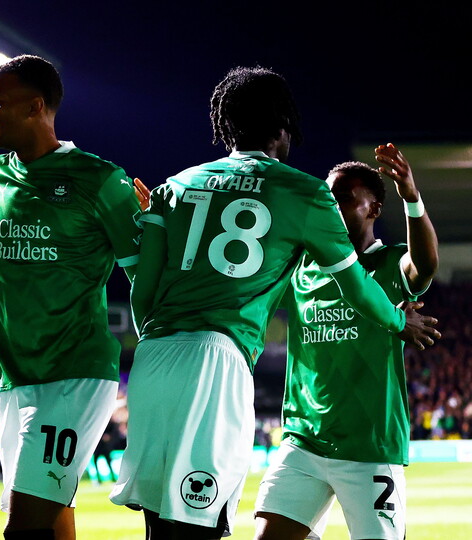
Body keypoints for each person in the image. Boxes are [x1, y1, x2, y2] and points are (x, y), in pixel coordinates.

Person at [109, 66, 440, 540]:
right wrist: (395, 320)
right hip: (221, 365)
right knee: (197, 519)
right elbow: (359, 289)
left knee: (159, 520)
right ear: (284, 125)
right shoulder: (302, 196)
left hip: (154, 359)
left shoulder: (174, 186)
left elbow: (143, 285)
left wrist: (158, 337)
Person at [0, 54, 143, 540]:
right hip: (13, 377)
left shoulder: (99, 179)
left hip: (73, 375)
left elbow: (144, 269)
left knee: (25, 525)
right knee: (54, 514)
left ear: (36, 106)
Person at [253, 144, 438, 540]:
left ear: (373, 209)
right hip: (305, 439)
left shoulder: (389, 264)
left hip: (369, 444)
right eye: (328, 198)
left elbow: (424, 265)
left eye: (344, 199)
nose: (332, 206)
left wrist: (412, 198)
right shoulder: (301, 267)